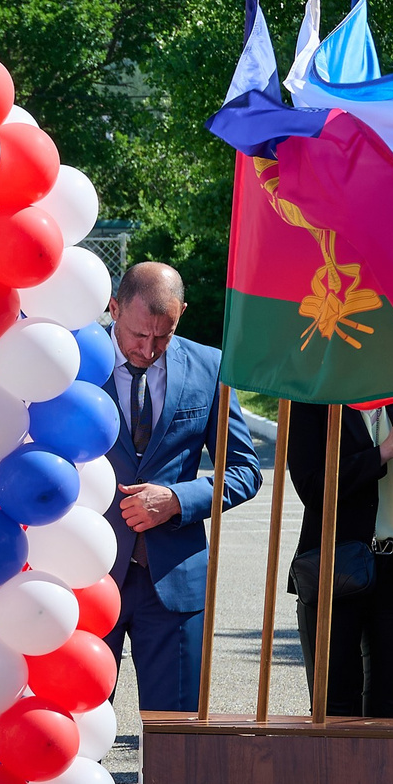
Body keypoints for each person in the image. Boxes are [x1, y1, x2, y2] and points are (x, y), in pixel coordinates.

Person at [100, 262, 258, 713]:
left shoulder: (210, 367)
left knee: (174, 737)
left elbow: (246, 470)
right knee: (73, 732)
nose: (148, 350)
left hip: (172, 584)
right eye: (137, 335)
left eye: (163, 337)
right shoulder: (73, 364)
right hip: (87, 578)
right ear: (113, 307)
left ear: (182, 313)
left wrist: (176, 500)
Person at [284, 394, 393, 719]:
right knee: (334, 708)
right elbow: (311, 487)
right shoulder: (316, 398)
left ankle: (379, 773)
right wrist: (382, 453)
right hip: (337, 564)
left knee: (389, 712)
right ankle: (336, 772)